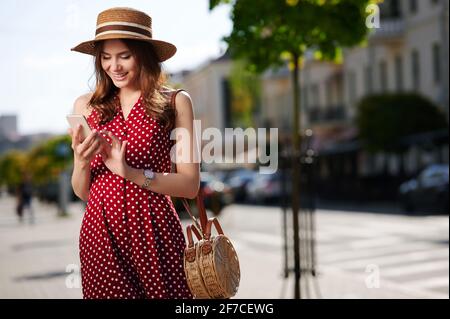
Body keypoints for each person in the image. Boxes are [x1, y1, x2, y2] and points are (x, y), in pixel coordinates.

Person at [68, 7, 200, 299]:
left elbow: (190, 185)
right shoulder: (85, 107)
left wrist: (131, 173)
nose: (114, 66)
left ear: (144, 55)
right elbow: (82, 192)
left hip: (156, 232)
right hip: (100, 233)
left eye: (124, 56)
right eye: (106, 57)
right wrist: (80, 163)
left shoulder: (176, 102)